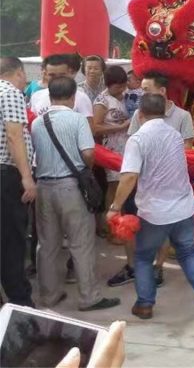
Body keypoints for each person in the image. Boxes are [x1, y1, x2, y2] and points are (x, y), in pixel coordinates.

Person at [107, 93, 194, 319]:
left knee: (142, 257)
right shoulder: (175, 136)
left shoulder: (138, 139)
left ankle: (145, 304)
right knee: (188, 252)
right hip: (183, 208)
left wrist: (115, 206)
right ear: (164, 112)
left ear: (139, 115)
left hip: (154, 212)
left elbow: (129, 176)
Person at [30, 77, 120, 312]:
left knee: (47, 244)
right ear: (72, 97)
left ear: (50, 96)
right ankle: (88, 297)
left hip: (43, 187)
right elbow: (89, 153)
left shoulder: (38, 123)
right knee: (81, 243)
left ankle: (48, 296)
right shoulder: (78, 120)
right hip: (71, 187)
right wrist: (84, 170)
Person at [107, 71, 194, 288]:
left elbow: (188, 150)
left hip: (166, 185)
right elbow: (134, 143)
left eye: (146, 89)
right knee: (129, 223)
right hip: (139, 181)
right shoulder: (139, 114)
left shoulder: (182, 116)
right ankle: (131, 266)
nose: (140, 92)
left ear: (162, 91)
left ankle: (158, 267)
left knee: (161, 226)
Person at [0, 57, 36, 307]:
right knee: (12, 240)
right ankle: (20, 302)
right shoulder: (10, 92)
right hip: (5, 176)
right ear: (19, 73)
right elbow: (14, 136)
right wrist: (26, 177)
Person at [92, 66, 131, 239]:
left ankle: (120, 226)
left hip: (126, 147)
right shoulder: (102, 101)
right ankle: (112, 229)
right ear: (109, 85)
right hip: (112, 148)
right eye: (118, 86)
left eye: (123, 85)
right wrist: (121, 126)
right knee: (114, 187)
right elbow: (95, 127)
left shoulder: (126, 97)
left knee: (123, 186)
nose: (122, 89)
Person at [29, 54, 94, 118]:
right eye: (52, 75)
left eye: (62, 75)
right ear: (45, 74)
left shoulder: (81, 98)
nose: (57, 78)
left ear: (69, 73)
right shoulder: (36, 96)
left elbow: (89, 126)